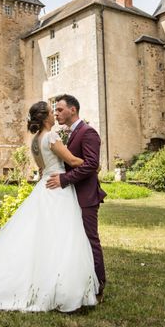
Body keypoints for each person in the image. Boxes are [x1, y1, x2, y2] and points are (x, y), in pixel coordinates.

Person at [0, 101, 99, 312]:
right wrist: (93, 164)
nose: (54, 115)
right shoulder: (51, 136)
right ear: (45, 118)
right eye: (52, 112)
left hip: (43, 186)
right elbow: (73, 161)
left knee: (39, 237)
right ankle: (60, 286)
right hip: (57, 189)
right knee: (63, 237)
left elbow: (43, 168)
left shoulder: (34, 141)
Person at [46, 94, 107, 300]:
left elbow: (91, 165)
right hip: (72, 197)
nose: (56, 113)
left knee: (90, 241)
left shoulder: (88, 132)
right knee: (77, 242)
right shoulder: (71, 133)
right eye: (55, 110)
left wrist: (64, 179)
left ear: (73, 110)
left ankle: (99, 286)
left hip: (86, 196)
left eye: (60, 109)